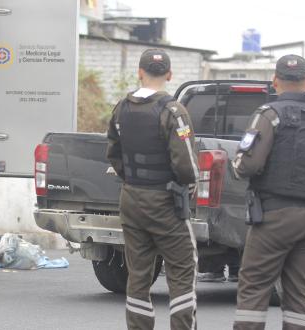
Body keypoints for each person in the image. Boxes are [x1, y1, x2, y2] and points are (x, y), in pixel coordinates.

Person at [231, 54, 305, 330]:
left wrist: (237, 167)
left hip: (274, 216)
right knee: (299, 293)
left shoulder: (269, 115)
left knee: (254, 286)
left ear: (275, 81)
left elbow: (247, 165)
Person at [106, 49, 199, 330]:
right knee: (183, 267)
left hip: (131, 199)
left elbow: (113, 153)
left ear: (139, 71)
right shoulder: (173, 111)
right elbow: (185, 163)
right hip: (165, 201)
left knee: (139, 273)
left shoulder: (122, 107)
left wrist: (134, 180)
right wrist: (190, 183)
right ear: (169, 75)